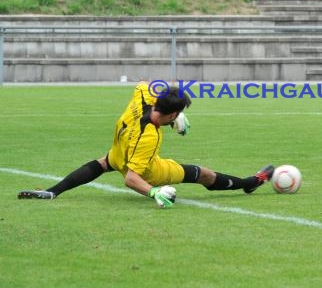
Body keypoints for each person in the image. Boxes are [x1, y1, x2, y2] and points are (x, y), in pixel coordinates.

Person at [18, 82, 274, 208]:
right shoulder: (151, 137)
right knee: (202, 174)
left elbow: (147, 83)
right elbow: (131, 178)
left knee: (103, 163)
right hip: (148, 169)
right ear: (172, 115)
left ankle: (53, 191)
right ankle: (250, 183)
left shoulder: (142, 93)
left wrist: (175, 117)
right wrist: (154, 192)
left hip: (118, 151)